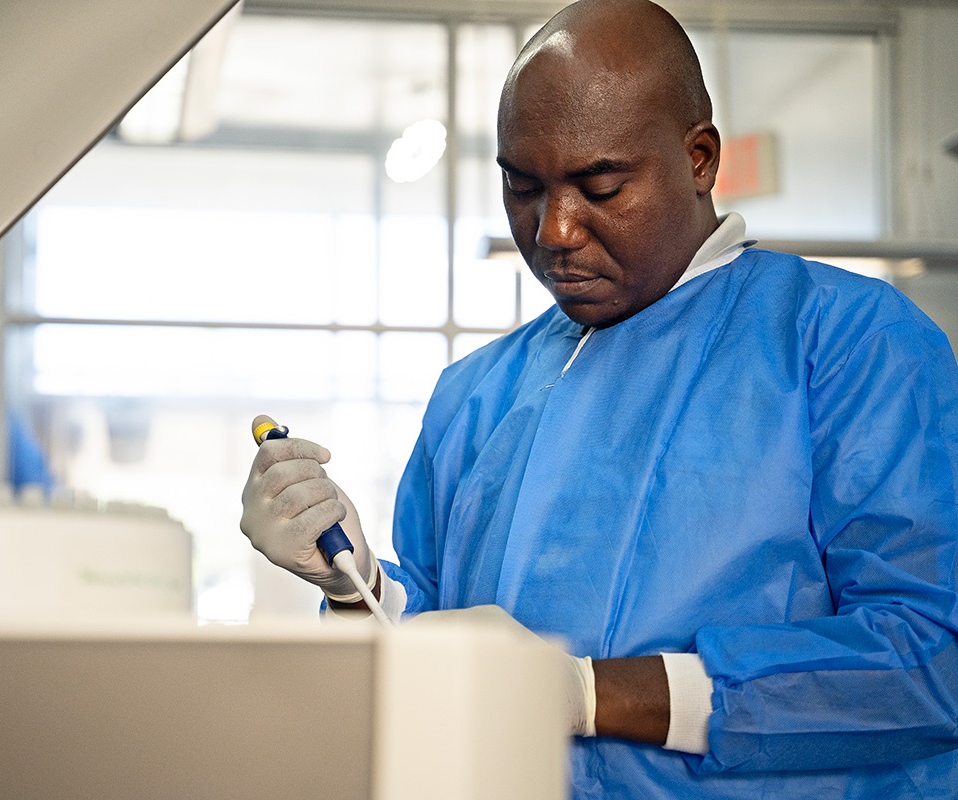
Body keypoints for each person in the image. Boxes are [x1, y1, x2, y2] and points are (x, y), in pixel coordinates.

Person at [240, 0, 958, 796]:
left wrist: (590, 693)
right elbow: (431, 664)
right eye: (522, 187)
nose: (554, 230)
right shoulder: (477, 395)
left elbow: (928, 657)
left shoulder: (847, 343)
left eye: (602, 186)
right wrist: (355, 587)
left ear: (698, 158)